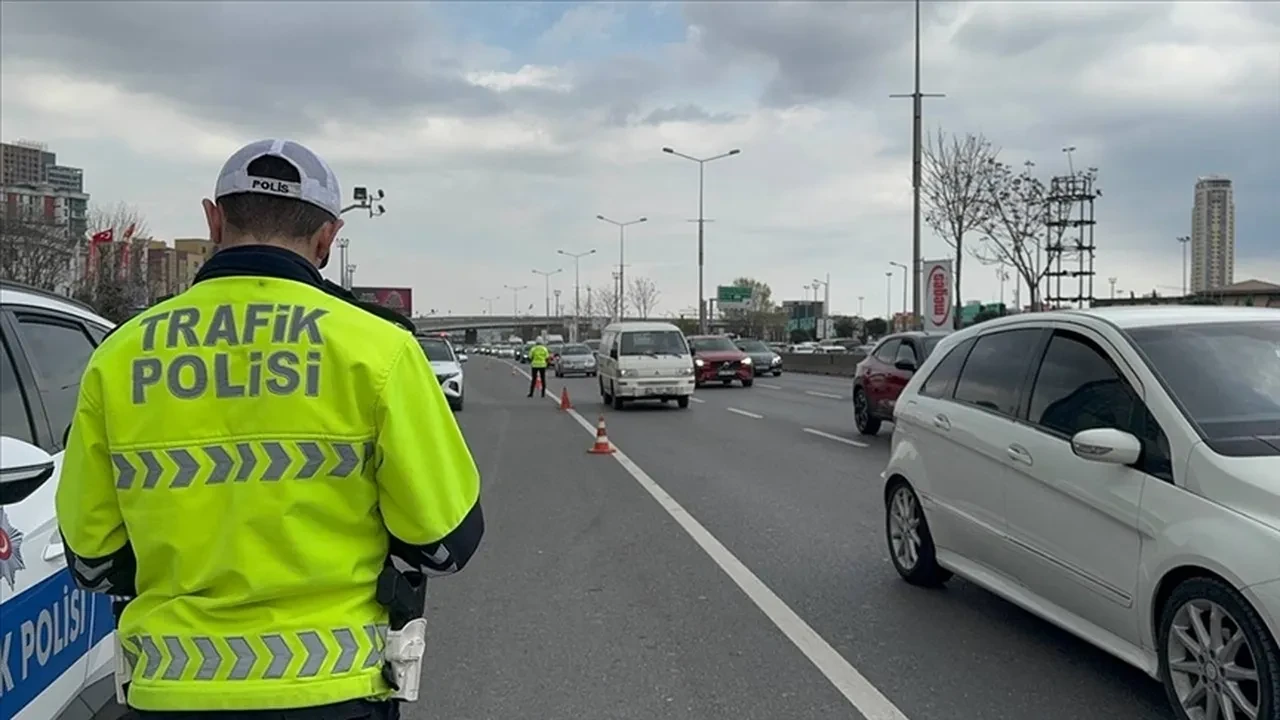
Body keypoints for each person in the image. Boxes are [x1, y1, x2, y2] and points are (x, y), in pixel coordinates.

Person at [55, 139, 484, 719]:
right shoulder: (379, 349)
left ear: (214, 220)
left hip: (170, 690)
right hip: (333, 690)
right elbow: (447, 542)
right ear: (327, 238)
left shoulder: (120, 354)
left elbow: (91, 556)